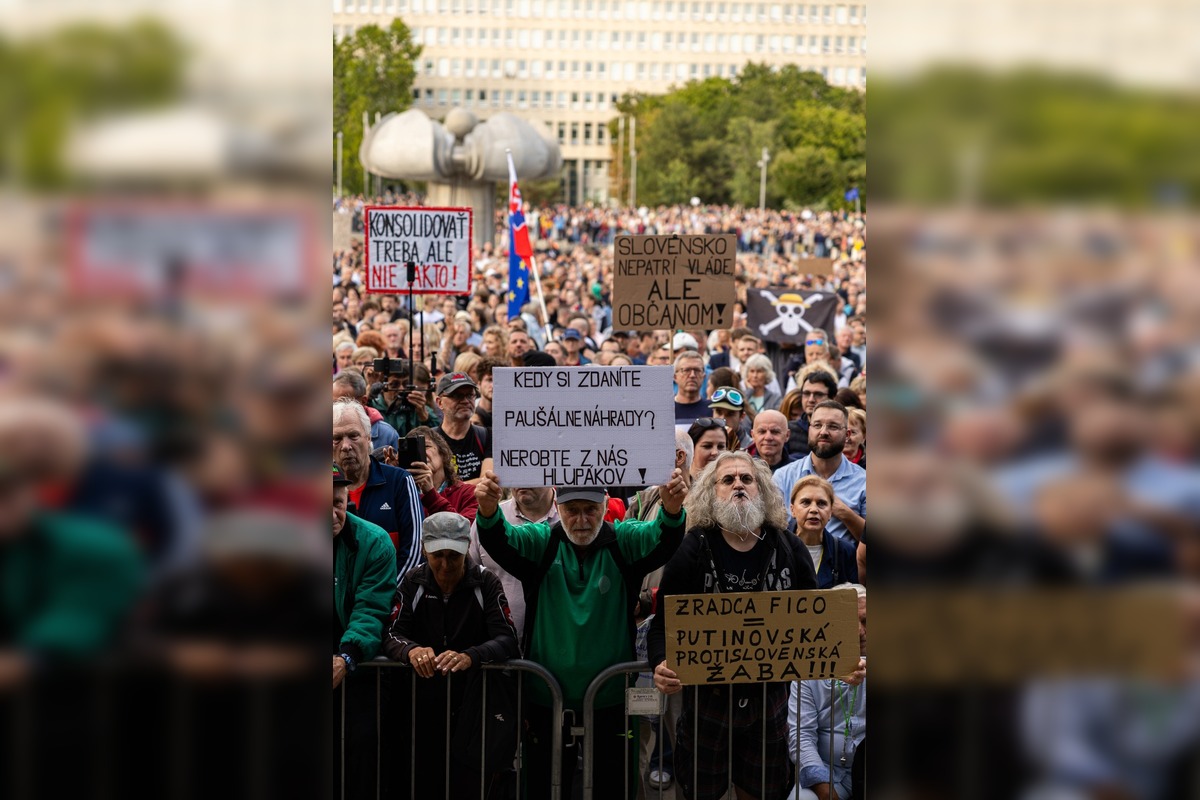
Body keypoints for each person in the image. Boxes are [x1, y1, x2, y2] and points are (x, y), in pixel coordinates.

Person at [474, 469, 689, 800]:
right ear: (557, 506)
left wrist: (672, 511)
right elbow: (503, 541)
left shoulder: (624, 541)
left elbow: (660, 539)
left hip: (612, 698)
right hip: (545, 697)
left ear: (605, 504)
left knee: (613, 786)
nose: (582, 520)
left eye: (590, 509)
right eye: (572, 509)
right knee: (544, 787)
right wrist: (488, 511)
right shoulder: (541, 541)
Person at [649, 451, 818, 800]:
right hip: (707, 702)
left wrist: (844, 662)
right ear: (712, 493)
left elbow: (817, 622)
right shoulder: (693, 548)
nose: (738, 484)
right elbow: (664, 622)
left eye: (746, 479)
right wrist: (660, 663)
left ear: (762, 490)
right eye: (727, 480)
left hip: (769, 700)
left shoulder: (790, 547)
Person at [383, 512, 520, 800]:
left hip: (472, 707)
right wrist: (411, 651)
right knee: (422, 781)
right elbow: (391, 633)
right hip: (420, 706)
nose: (445, 565)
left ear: (466, 550)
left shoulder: (486, 582)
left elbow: (507, 638)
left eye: (453, 556)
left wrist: (472, 656)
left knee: (467, 785)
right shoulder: (413, 581)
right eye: (438, 556)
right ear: (424, 550)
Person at [333, 462, 398, 800]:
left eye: (337, 503)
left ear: (347, 500)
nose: (330, 513)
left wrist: (347, 656)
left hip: (361, 667)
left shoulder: (374, 541)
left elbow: (371, 608)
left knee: (361, 753)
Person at [788, 583, 867, 800]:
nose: (859, 631)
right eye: (848, 623)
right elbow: (801, 737)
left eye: (866, 621)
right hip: (826, 771)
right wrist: (825, 791)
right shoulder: (808, 669)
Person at [333, 399, 424, 577]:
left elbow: (414, 551)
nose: (346, 446)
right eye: (336, 438)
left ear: (368, 438)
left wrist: (385, 594)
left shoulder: (399, 482)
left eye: (353, 436)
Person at [468, 484, 559, 642]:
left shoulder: (573, 518)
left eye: (531, 472)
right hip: (496, 647)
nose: (522, 481)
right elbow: (470, 579)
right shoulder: (487, 517)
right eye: (515, 473)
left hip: (554, 645)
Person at [774, 401, 866, 543]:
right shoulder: (784, 476)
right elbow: (772, 532)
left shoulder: (865, 482)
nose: (823, 432)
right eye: (817, 425)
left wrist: (845, 514)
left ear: (847, 434)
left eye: (833, 426)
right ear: (809, 430)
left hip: (841, 563)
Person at [791, 475, 859, 588]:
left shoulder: (844, 551)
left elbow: (852, 599)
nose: (814, 510)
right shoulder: (776, 546)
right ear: (792, 510)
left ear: (830, 512)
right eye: (806, 502)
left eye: (821, 503)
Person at [405, 426, 480, 522]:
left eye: (426, 446)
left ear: (443, 454)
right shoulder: (405, 493)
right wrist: (392, 478)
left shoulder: (468, 493)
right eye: (413, 450)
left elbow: (465, 530)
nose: (420, 453)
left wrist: (431, 495)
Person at [435, 372, 493, 484]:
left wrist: (448, 490)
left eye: (470, 395)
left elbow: (487, 483)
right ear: (439, 402)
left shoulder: (487, 436)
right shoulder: (430, 440)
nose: (466, 401)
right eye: (457, 396)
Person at [369, 360, 441, 438]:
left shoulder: (417, 408)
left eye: (405, 384)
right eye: (395, 384)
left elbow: (438, 436)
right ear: (383, 386)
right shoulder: (373, 407)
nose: (401, 389)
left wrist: (425, 418)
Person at [333, 370, 400, 452]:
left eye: (344, 402)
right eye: (333, 403)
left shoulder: (387, 434)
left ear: (363, 401)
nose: (337, 408)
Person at [673, 350, 710, 425]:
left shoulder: (713, 410)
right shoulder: (665, 410)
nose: (692, 375)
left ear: (703, 376)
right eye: (686, 370)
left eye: (697, 370)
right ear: (675, 377)